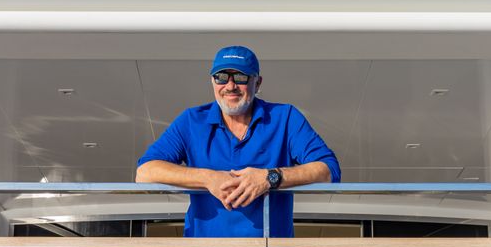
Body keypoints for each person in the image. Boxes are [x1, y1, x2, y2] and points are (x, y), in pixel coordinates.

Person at [135, 45, 340, 237]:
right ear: (212, 82)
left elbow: (329, 170)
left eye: (240, 77)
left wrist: (269, 178)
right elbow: (145, 173)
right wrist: (208, 178)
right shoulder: (191, 121)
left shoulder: (285, 117)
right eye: (221, 77)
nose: (230, 86)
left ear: (257, 82)